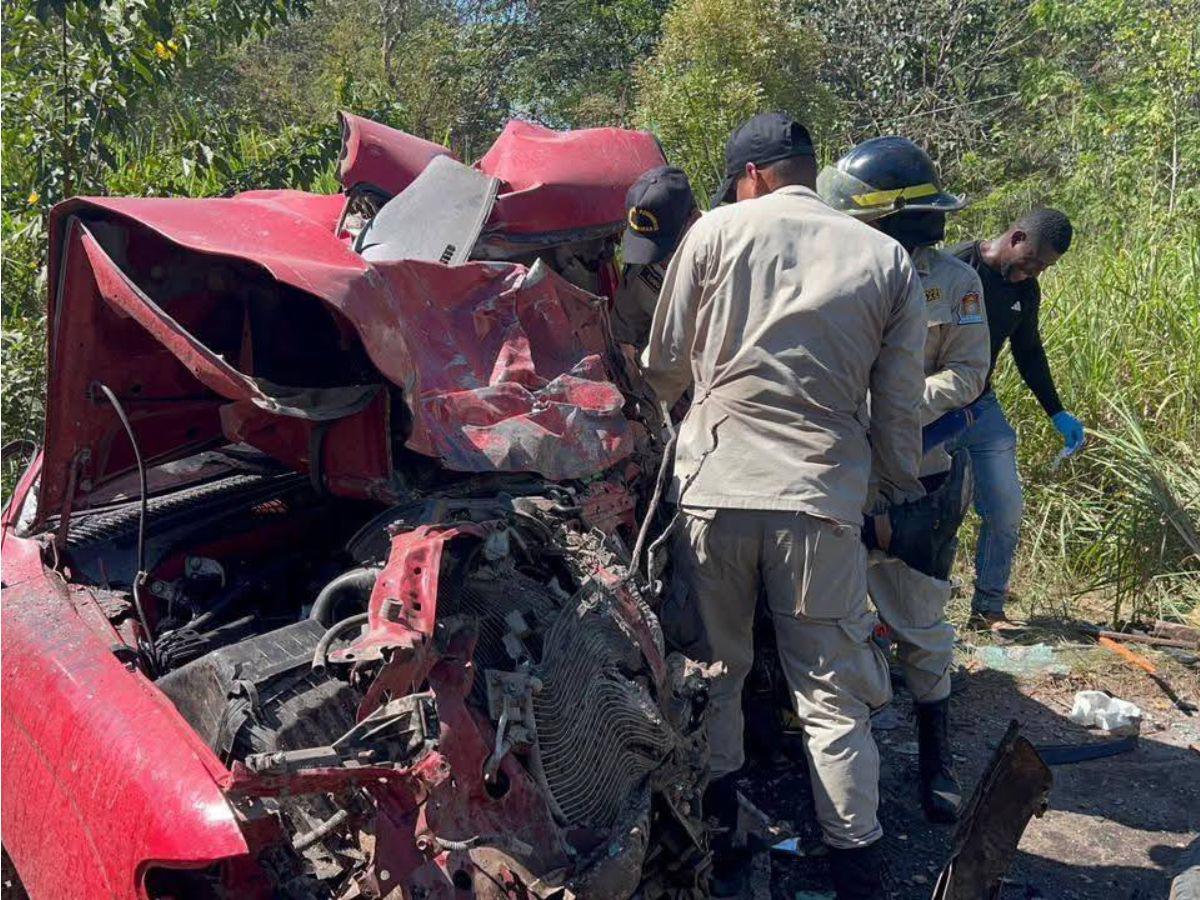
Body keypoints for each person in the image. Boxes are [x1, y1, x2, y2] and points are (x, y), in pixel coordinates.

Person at [643, 111, 927, 900]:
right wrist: (891, 491)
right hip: (819, 499)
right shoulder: (886, 257)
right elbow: (898, 409)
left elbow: (663, 366)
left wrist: (680, 402)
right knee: (832, 695)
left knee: (717, 671)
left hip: (715, 489)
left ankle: (723, 843)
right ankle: (859, 868)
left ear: (753, 176)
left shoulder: (712, 233)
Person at [818, 136, 990, 824]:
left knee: (920, 623)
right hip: (833, 474)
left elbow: (968, 374)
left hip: (918, 477)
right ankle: (841, 771)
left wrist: (891, 404)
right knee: (830, 621)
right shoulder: (830, 270)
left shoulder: (956, 282)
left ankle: (936, 762)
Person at [949, 209, 1080, 628]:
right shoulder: (956, 267)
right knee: (936, 512)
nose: (1034, 271)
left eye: (1044, 267)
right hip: (930, 409)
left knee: (1005, 508)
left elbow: (1029, 351)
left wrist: (1057, 411)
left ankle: (988, 608)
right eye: (1033, 261)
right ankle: (921, 609)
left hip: (980, 407)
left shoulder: (1027, 291)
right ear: (1017, 237)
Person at [612, 165, 699, 354]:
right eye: (646, 251)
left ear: (694, 220)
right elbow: (624, 334)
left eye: (665, 249)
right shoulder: (640, 272)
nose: (657, 261)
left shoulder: (730, 250)